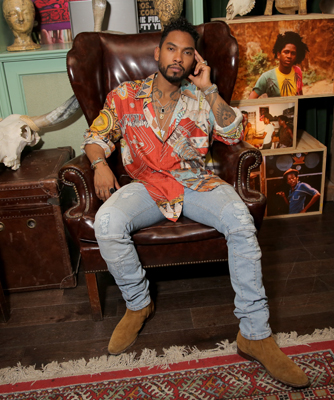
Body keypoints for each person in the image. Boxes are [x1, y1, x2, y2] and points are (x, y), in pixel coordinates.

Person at [82, 17, 310, 388]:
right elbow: (97, 136)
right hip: (146, 185)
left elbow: (233, 133)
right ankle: (138, 304)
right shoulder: (125, 95)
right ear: (157, 53)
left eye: (187, 52)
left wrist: (210, 89)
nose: (178, 57)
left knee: (241, 220)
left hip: (194, 181)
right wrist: (99, 165)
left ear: (194, 60)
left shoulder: (201, 95)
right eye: (171, 49)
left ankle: (255, 333)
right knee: (107, 224)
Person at [249, 31, 309, 99]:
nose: (289, 56)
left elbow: (300, 94)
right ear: (278, 54)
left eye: (293, 53)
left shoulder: (297, 71)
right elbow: (251, 100)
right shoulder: (267, 77)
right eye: (286, 52)